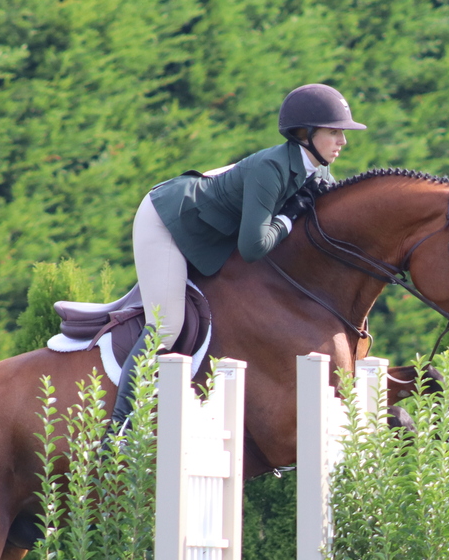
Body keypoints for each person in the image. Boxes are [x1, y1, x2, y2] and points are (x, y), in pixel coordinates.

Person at [111, 83, 366, 427]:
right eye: (334, 132)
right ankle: (119, 429)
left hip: (214, 232)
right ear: (305, 134)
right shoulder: (271, 168)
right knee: (167, 327)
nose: (343, 142)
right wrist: (289, 217)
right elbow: (253, 247)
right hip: (169, 220)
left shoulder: (319, 172)